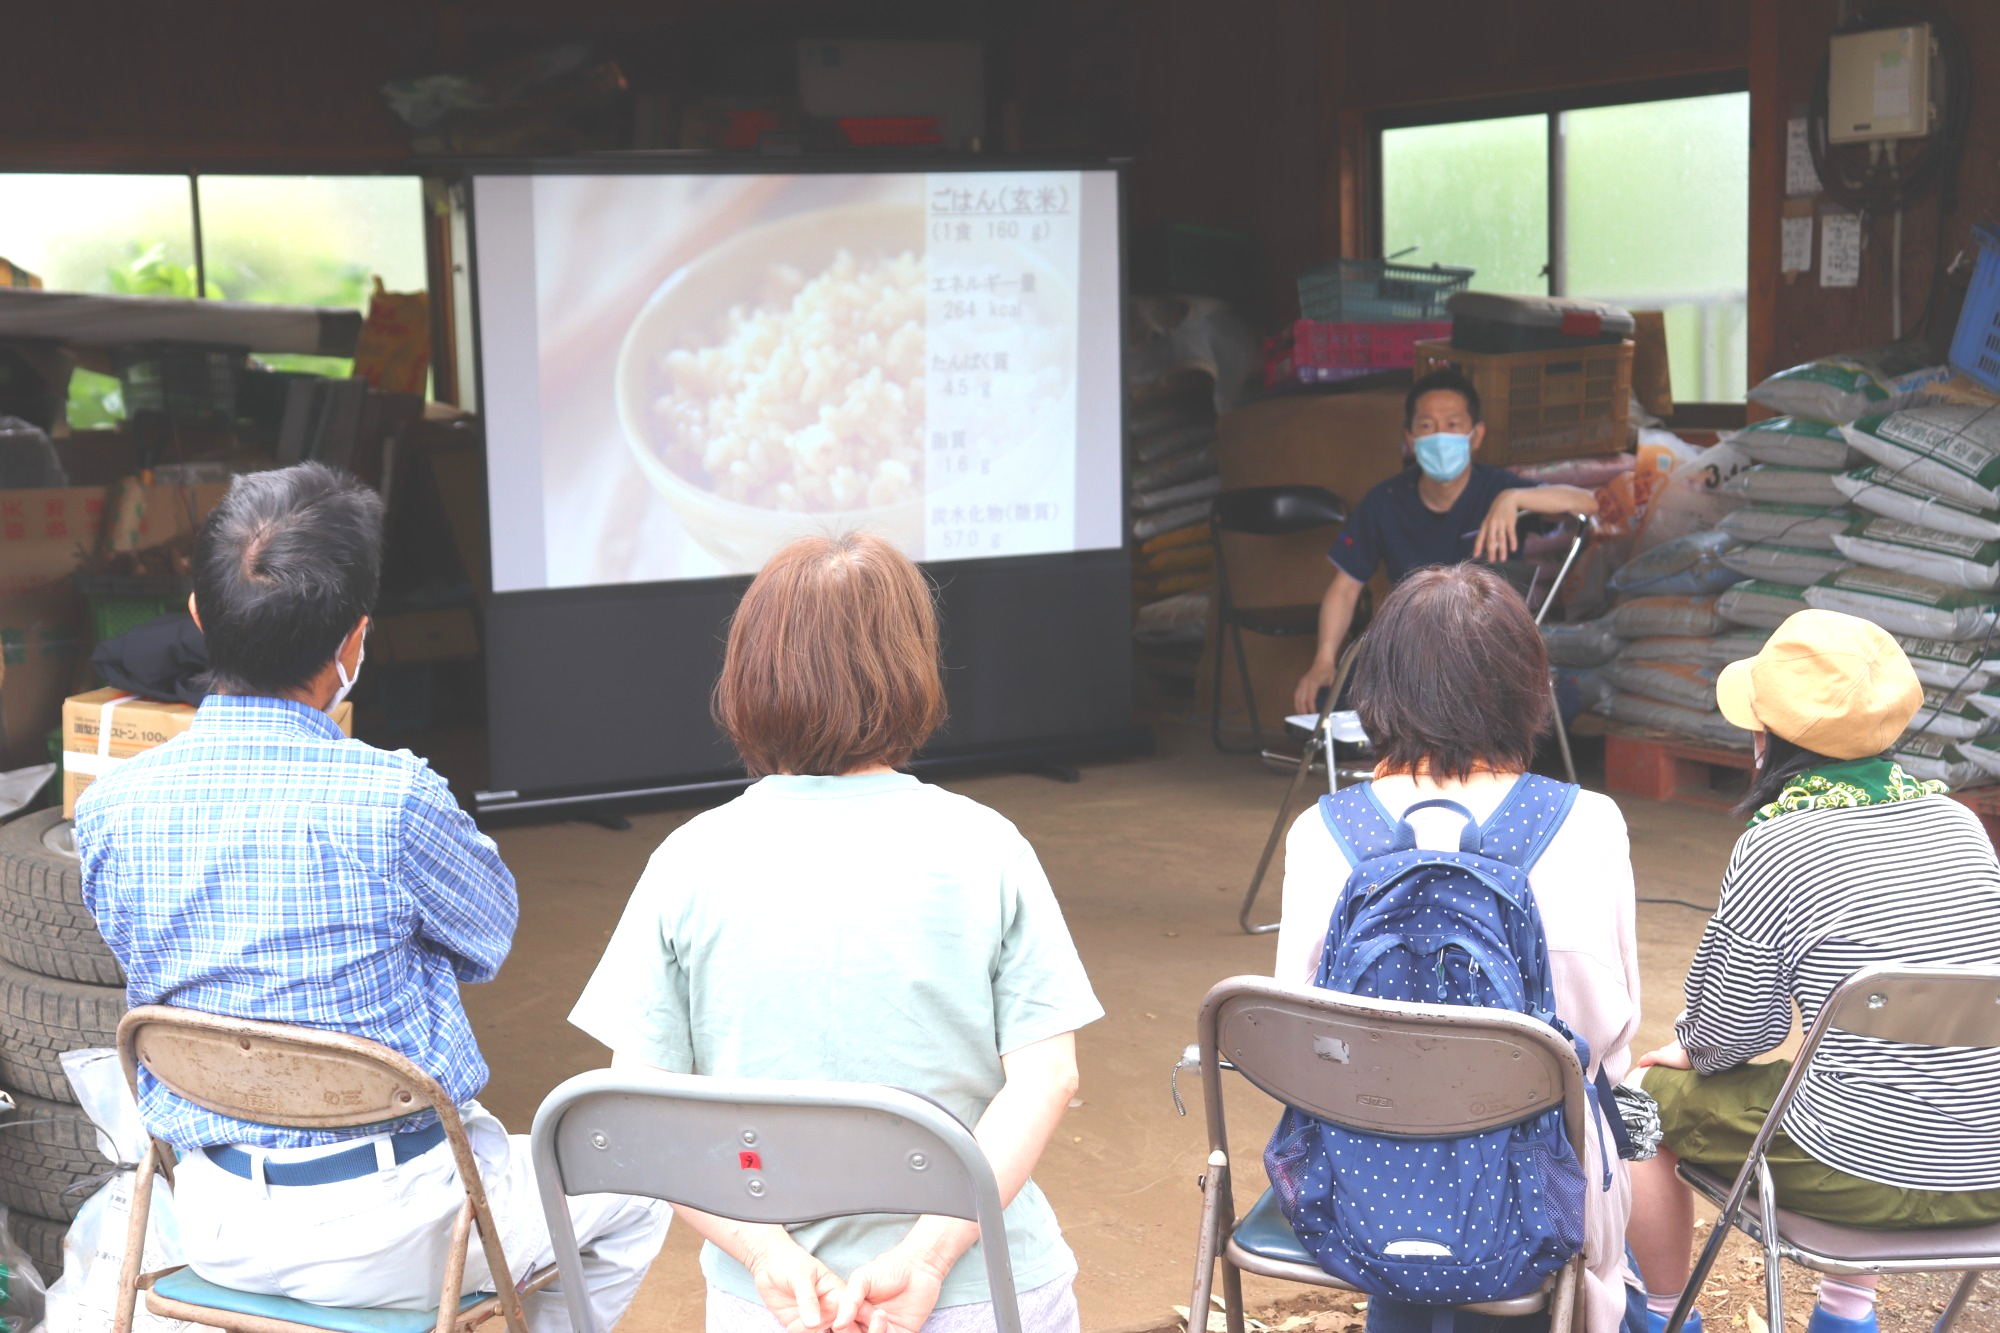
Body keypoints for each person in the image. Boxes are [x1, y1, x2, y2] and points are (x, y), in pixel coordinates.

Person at [76, 464, 668, 1331]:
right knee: (638, 1188)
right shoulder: (394, 799)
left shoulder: (110, 809)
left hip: (213, 1221)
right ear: (354, 643)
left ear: (198, 617)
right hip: (405, 1231)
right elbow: (488, 938)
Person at [569, 532, 1103, 1333]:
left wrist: (765, 1256)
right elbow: (1047, 1079)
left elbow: (643, 1118)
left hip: (774, 1306)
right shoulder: (988, 845)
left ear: (748, 673)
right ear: (911, 668)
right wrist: (926, 1257)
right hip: (982, 1288)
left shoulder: (686, 861)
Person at [1276, 564, 1640, 1333]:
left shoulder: (1323, 831)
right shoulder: (1591, 822)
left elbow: (1299, 1035)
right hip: (1538, 1191)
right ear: (1527, 686)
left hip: (1359, 1191)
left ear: (1378, 686)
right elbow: (1609, 1034)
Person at [1627, 610, 2000, 1333]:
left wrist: (1689, 1049)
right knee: (1859, 1071)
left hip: (1853, 1177)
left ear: (1768, 740)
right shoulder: (1958, 824)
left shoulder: (1777, 843)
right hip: (1991, 1167)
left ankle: (1665, 1316)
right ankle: (1844, 1315)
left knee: (1639, 1097)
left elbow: (1740, 1032)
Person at [1292, 367, 1599, 715]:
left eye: (1453, 425)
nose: (1440, 436)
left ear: (1476, 435)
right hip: (1413, 655)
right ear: (1409, 438)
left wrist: (1513, 499)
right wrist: (1323, 660)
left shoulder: (1498, 489)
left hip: (1488, 653)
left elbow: (1586, 502)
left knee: (1558, 703)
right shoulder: (1385, 500)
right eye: (1427, 426)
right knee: (1326, 704)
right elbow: (1345, 588)